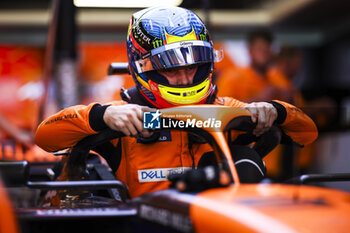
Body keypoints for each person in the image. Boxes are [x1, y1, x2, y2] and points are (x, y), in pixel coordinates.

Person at [35, 7, 318, 198]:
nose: (184, 77)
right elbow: (45, 136)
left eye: (193, 64)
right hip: (143, 224)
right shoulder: (125, 116)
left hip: (221, 221)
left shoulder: (226, 108)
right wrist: (101, 116)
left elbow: (307, 132)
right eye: (171, 68)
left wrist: (275, 111)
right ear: (144, 68)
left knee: (247, 161)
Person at [216, 29, 281, 102]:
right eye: (259, 49)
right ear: (250, 50)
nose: (263, 54)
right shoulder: (232, 76)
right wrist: (259, 99)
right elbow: (221, 106)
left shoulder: (277, 79)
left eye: (266, 50)